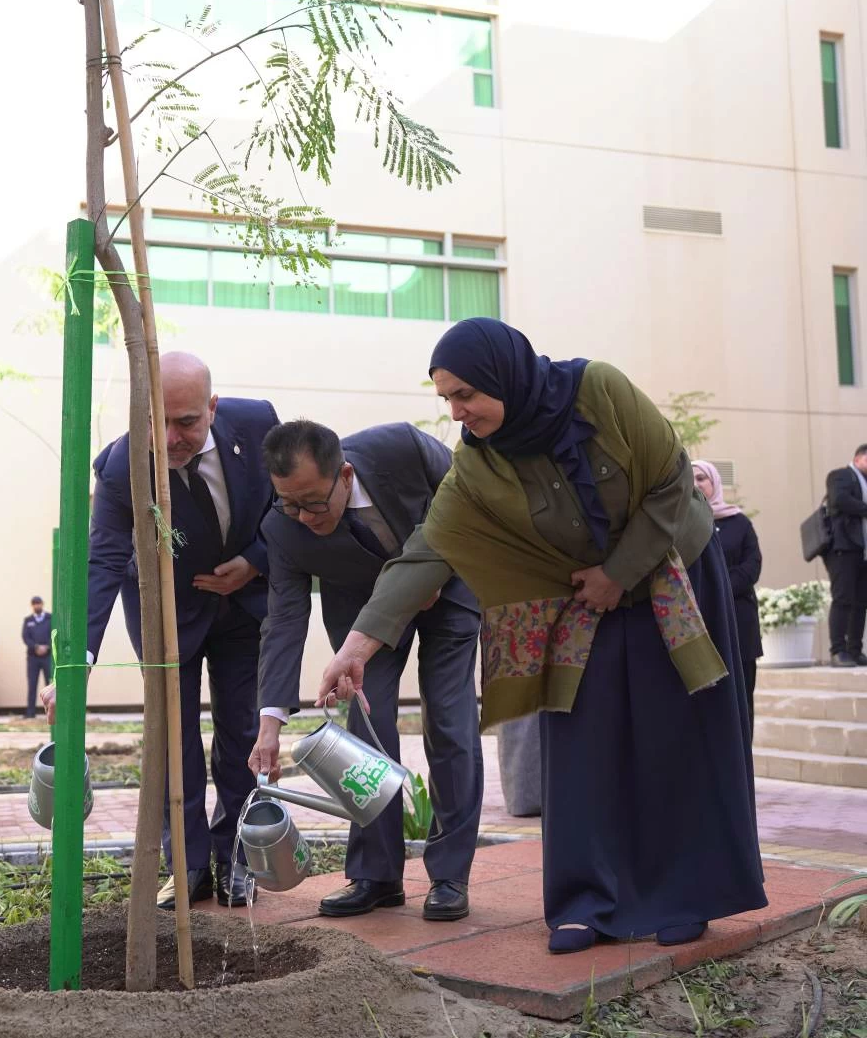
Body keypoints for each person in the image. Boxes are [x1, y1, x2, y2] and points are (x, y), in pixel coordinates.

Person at [318, 319, 766, 954]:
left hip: (672, 576)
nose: (457, 411)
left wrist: (618, 572)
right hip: (582, 597)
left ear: (506, 375)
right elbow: (428, 550)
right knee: (582, 743)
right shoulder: (477, 462)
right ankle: (587, 901)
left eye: (466, 394)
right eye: (445, 398)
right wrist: (356, 647)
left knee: (674, 738)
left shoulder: (599, 389)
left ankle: (685, 894)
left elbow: (672, 478)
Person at [42, 352, 278, 910]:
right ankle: (190, 865)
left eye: (188, 422)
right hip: (164, 613)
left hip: (242, 604)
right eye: (158, 421)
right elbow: (101, 562)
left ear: (213, 409)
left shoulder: (259, 423)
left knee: (241, 735)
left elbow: (284, 508)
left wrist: (256, 560)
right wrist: (80, 660)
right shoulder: (124, 466)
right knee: (174, 741)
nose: (171, 437)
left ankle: (237, 860)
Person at [250, 419, 483, 921]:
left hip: (451, 587)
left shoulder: (402, 448)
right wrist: (270, 721)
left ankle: (449, 876)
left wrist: (437, 565)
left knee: (448, 719)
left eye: (313, 502)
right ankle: (376, 876)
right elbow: (285, 620)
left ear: (346, 474)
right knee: (366, 729)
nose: (303, 517)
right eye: (289, 503)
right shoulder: (281, 527)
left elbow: (466, 498)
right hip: (362, 615)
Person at [692, 461, 762, 734]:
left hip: (739, 619)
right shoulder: (683, 525)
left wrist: (717, 587)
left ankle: (744, 767)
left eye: (701, 478)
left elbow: (752, 566)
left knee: (743, 697)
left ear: (714, 483)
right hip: (702, 623)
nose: (696, 484)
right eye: (690, 479)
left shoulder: (739, 522)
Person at [825, 447, 867, 667]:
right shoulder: (840, 475)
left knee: (861, 602)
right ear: (858, 458)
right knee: (842, 599)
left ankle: (855, 650)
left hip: (863, 550)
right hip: (843, 547)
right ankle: (838, 650)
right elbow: (840, 499)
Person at [22, 596, 52, 719]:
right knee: (32, 684)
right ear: (32, 606)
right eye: (34, 604)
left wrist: (47, 647)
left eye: (38, 603)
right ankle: (30, 713)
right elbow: (25, 637)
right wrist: (35, 647)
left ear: (42, 604)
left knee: (50, 684)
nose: (37, 606)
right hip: (33, 657)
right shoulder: (28, 620)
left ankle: (51, 712)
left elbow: (55, 633)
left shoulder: (51, 618)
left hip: (48, 657)